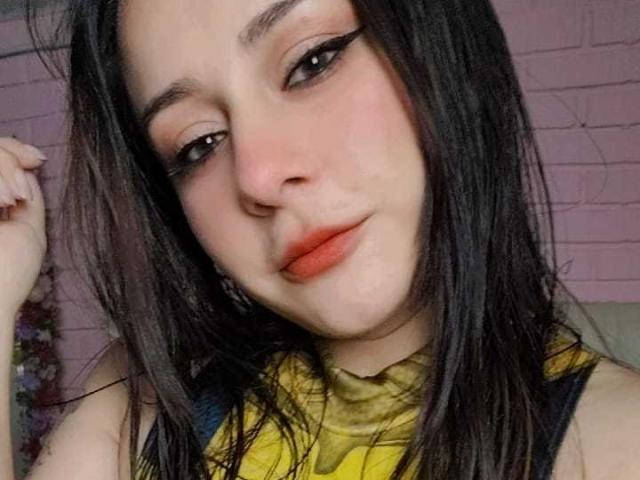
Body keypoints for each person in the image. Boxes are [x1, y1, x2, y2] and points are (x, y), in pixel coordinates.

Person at [1, 0, 640, 479]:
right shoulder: (143, 402)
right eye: (198, 144)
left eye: (313, 62)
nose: (258, 176)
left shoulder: (614, 443)